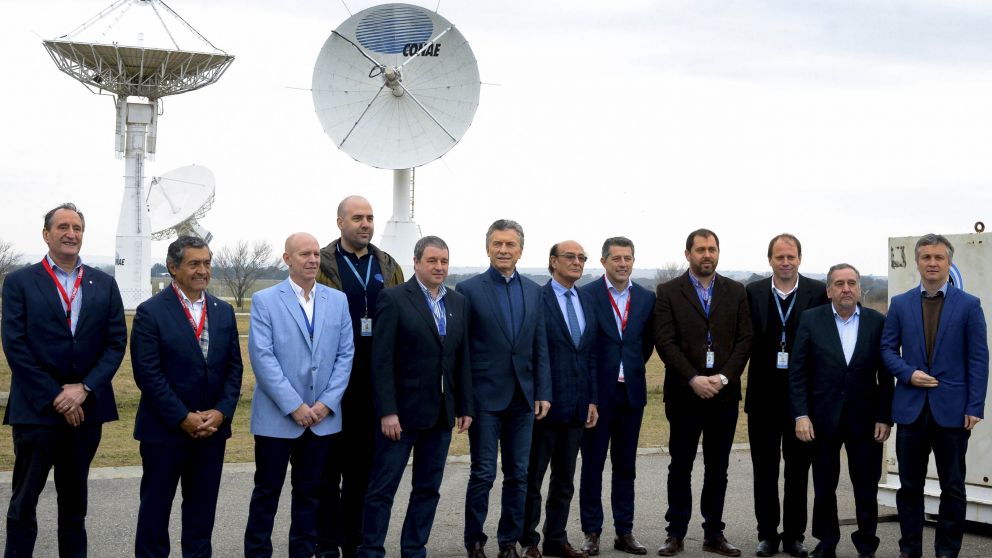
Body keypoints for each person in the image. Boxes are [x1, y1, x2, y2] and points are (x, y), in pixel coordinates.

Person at [2, 203, 126, 558]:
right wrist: (57, 395)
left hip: (86, 414)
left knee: (75, 507)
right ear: (46, 234)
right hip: (37, 413)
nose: (71, 234)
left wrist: (84, 389)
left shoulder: (103, 284)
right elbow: (15, 344)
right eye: (63, 227)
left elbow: (116, 342)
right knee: (23, 504)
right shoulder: (20, 282)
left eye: (77, 228)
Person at [357, 235, 474, 558]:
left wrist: (465, 405)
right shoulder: (393, 299)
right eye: (432, 261)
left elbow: (460, 359)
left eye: (444, 261)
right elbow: (380, 361)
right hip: (401, 416)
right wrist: (387, 411)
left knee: (427, 489)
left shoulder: (457, 302)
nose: (439, 267)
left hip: (440, 414)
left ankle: (414, 549)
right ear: (417, 262)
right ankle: (370, 550)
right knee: (383, 489)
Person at [130, 235, 244, 558]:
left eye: (207, 263)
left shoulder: (222, 311)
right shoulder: (150, 312)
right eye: (194, 263)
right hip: (164, 434)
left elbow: (234, 369)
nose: (202, 270)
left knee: (201, 520)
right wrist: (183, 417)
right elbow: (148, 375)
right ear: (173, 267)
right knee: (154, 518)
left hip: (211, 434)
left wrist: (221, 413)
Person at [244, 232, 355, 558]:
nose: (312, 259)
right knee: (267, 494)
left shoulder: (337, 301)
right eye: (304, 254)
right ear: (287, 259)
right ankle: (257, 552)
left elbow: (345, 356)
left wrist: (324, 405)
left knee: (310, 495)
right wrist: (295, 406)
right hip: (278, 420)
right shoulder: (265, 301)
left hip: (321, 421)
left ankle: (302, 552)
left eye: (316, 254)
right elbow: (262, 359)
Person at [881, 234, 989, 558]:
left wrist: (975, 406)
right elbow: (886, 350)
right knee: (909, 488)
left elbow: (978, 359)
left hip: (953, 412)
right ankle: (910, 550)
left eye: (938, 258)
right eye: (926, 257)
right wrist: (907, 373)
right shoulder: (900, 304)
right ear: (917, 262)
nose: (932, 263)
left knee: (953, 489)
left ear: (948, 263)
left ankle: (946, 551)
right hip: (911, 411)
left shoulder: (969, 305)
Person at [315, 195, 405, 558]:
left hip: (372, 383)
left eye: (369, 217)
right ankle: (325, 543)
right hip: (332, 383)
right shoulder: (321, 262)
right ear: (340, 223)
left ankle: (354, 541)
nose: (365, 224)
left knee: (361, 472)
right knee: (326, 469)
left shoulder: (388, 264)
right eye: (357, 218)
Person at [654, 228, 752, 558]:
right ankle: (675, 534)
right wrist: (693, 378)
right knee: (680, 466)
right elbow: (664, 342)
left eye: (712, 249)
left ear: (718, 253)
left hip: (723, 396)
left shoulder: (736, 291)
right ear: (688, 254)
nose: (706, 254)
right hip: (684, 395)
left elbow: (744, 340)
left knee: (717, 468)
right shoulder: (668, 291)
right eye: (700, 249)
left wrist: (723, 377)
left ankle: (714, 533)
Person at [459, 219, 551, 558]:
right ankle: (475, 541)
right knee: (483, 473)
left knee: (519, 475)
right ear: (487, 248)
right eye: (497, 243)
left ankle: (508, 541)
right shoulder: (469, 290)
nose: (503, 249)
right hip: (485, 399)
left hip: (524, 399)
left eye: (510, 244)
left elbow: (539, 345)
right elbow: (464, 352)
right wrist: (464, 402)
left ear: (520, 250)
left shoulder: (534, 291)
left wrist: (543, 392)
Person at [789, 263, 893, 558]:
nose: (845, 289)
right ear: (829, 290)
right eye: (839, 284)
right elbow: (798, 373)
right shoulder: (811, 320)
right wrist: (801, 414)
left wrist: (886, 416)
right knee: (824, 486)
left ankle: (866, 545)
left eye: (851, 283)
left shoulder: (876, 321)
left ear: (860, 288)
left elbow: (886, 375)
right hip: (822, 419)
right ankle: (827, 542)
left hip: (867, 419)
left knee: (866, 486)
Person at [745, 234, 828, 558]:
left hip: (802, 402)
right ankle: (767, 534)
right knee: (763, 470)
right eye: (779, 257)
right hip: (763, 398)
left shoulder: (818, 293)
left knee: (798, 471)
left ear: (799, 259)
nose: (785, 262)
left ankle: (794, 535)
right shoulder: (751, 292)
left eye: (790, 256)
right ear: (770, 260)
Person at [520, 241, 600, 558]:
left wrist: (592, 399)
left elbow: (589, 353)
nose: (577, 262)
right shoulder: (537, 298)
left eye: (582, 257)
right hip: (546, 406)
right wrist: (542, 393)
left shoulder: (587, 300)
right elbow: (534, 351)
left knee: (565, 480)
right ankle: (529, 541)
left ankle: (556, 539)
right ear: (553, 262)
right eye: (570, 256)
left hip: (578, 407)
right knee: (533, 479)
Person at [577, 237, 655, 557]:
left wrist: (630, 369)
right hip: (597, 397)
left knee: (626, 467)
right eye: (617, 258)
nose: (623, 264)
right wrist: (590, 396)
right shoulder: (586, 295)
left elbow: (644, 344)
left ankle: (624, 531)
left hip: (631, 395)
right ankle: (591, 532)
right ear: (604, 261)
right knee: (593, 466)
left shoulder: (647, 298)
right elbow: (583, 346)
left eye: (628, 258)